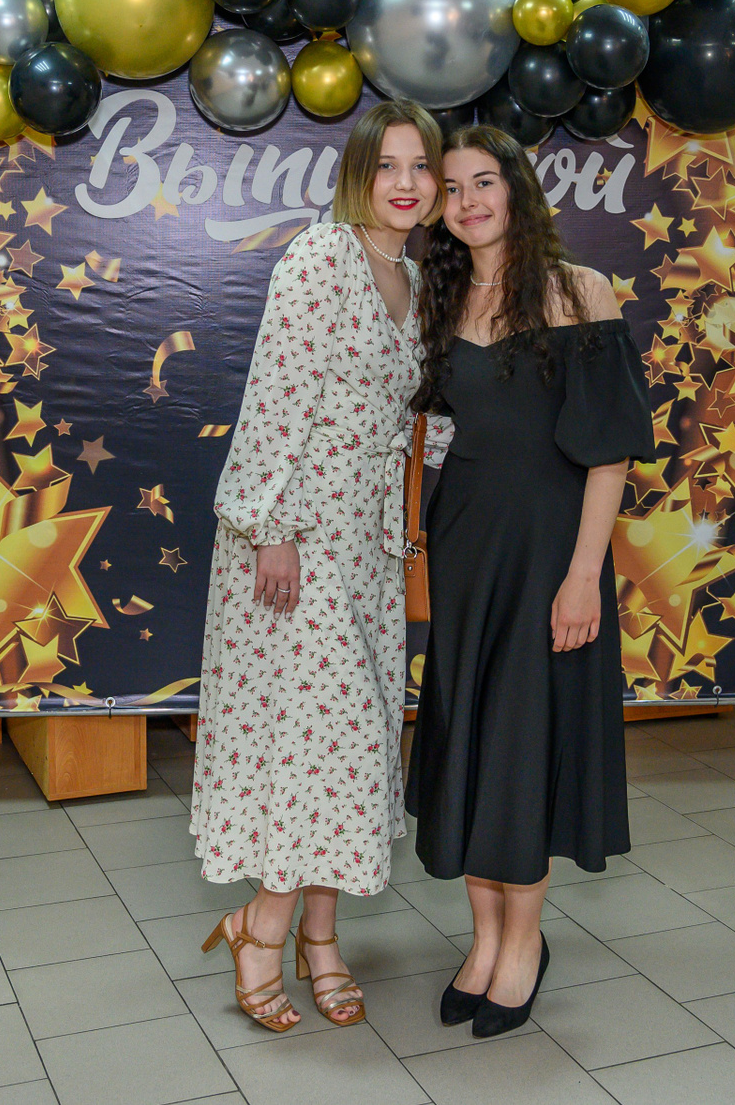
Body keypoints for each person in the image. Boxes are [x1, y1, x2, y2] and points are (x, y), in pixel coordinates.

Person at [191, 100, 446, 1033]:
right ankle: (263, 930)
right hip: (295, 535)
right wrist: (272, 525)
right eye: (389, 166)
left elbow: (418, 416)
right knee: (315, 738)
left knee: (357, 742)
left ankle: (320, 938)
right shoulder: (321, 256)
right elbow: (276, 396)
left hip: (368, 541)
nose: (407, 183)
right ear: (359, 174)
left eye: (422, 166)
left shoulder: (415, 277)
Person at [405, 124, 656, 1039]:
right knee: (471, 739)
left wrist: (584, 575)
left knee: (523, 742)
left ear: (516, 188)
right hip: (466, 548)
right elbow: (432, 435)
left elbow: (609, 454)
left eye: (484, 181)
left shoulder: (578, 290)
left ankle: (524, 945)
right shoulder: (440, 298)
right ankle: (481, 941)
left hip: (551, 552)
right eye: (451, 188)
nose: (468, 201)